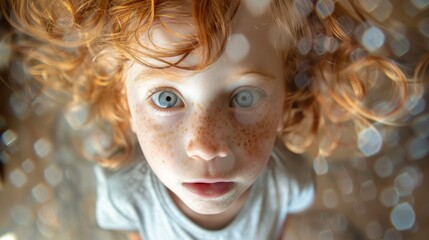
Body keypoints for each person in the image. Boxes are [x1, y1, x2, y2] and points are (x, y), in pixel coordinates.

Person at [1, 0, 427, 239]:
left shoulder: (287, 181)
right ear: (124, 103)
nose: (206, 144)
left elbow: (280, 227)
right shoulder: (123, 194)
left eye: (243, 96)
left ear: (286, 98)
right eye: (167, 98)